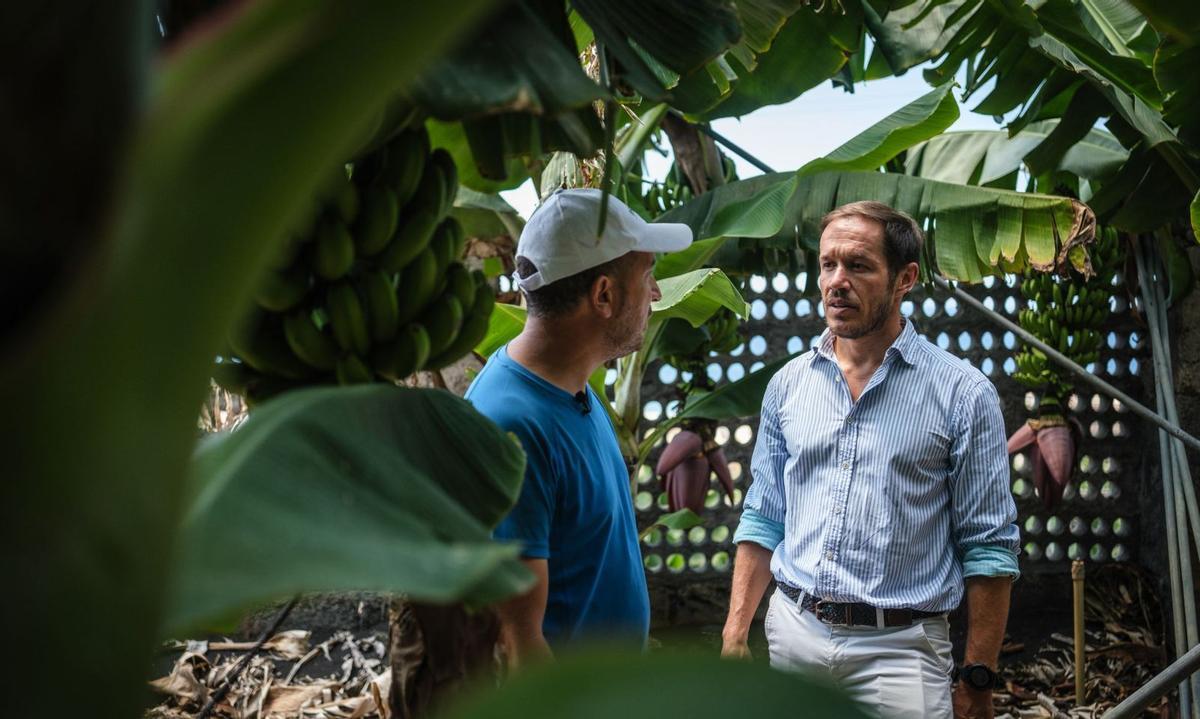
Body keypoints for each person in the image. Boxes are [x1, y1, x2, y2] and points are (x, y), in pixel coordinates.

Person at [720, 201, 1019, 719]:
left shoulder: (962, 394)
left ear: (905, 278)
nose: (837, 282)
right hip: (794, 635)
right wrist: (735, 630)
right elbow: (764, 515)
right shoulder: (788, 386)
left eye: (858, 266)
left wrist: (977, 677)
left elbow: (989, 549)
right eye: (827, 264)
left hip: (901, 653)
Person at [465, 188, 693, 668]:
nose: (655, 293)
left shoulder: (572, 388)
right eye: (647, 274)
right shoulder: (512, 425)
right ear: (604, 295)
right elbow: (519, 642)